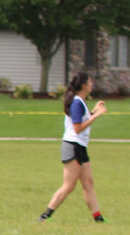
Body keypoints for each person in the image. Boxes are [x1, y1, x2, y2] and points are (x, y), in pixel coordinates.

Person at [39, 72, 107, 223]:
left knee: (88, 183)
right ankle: (45, 216)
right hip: (72, 146)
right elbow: (77, 128)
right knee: (69, 186)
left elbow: (82, 119)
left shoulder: (80, 102)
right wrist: (96, 116)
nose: (91, 84)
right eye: (90, 82)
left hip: (80, 147)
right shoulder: (76, 103)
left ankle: (98, 218)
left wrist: (94, 111)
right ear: (83, 85)